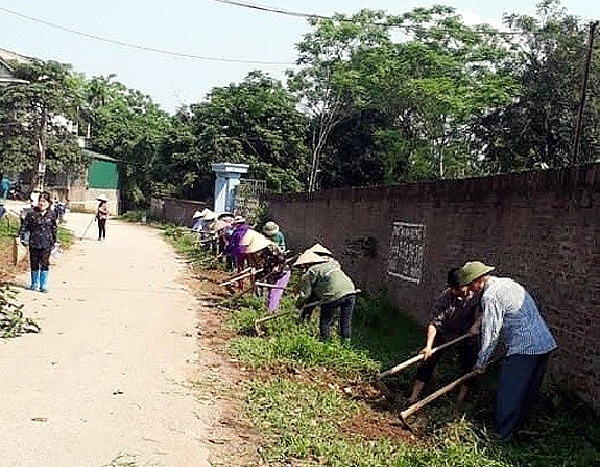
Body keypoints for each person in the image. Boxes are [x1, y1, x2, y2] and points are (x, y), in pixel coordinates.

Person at [458, 261, 558, 443]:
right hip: (544, 342)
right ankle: (517, 429)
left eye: (471, 286)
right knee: (527, 391)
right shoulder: (506, 283)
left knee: (509, 392)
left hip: (524, 348)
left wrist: (480, 364)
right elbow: (497, 313)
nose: (470, 291)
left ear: (478, 281)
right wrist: (477, 325)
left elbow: (492, 334)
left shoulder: (491, 296)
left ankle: (501, 435)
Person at [408, 267, 481, 404]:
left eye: (460, 290)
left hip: (466, 335)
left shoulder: (476, 295)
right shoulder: (444, 298)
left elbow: (484, 312)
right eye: (454, 289)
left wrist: (476, 325)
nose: (457, 293)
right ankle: (413, 397)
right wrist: (428, 346)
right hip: (445, 333)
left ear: (467, 285)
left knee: (469, 365)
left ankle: (460, 401)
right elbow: (434, 324)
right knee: (427, 362)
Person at [293, 250, 358, 343]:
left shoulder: (311, 271)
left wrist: (298, 305)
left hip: (333, 293)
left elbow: (305, 294)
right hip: (350, 290)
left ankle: (325, 343)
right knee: (345, 320)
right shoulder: (330, 265)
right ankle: (346, 345)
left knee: (325, 321)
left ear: (305, 264)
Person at [19, 191, 57, 292]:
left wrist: (54, 242)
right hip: (34, 242)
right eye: (40, 201)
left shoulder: (51, 214)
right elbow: (24, 227)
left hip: (47, 242)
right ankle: (34, 283)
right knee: (34, 262)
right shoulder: (32, 214)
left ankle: (43, 285)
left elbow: (54, 228)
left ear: (48, 203)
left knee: (45, 263)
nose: (42, 203)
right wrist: (21, 237)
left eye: (44, 201)